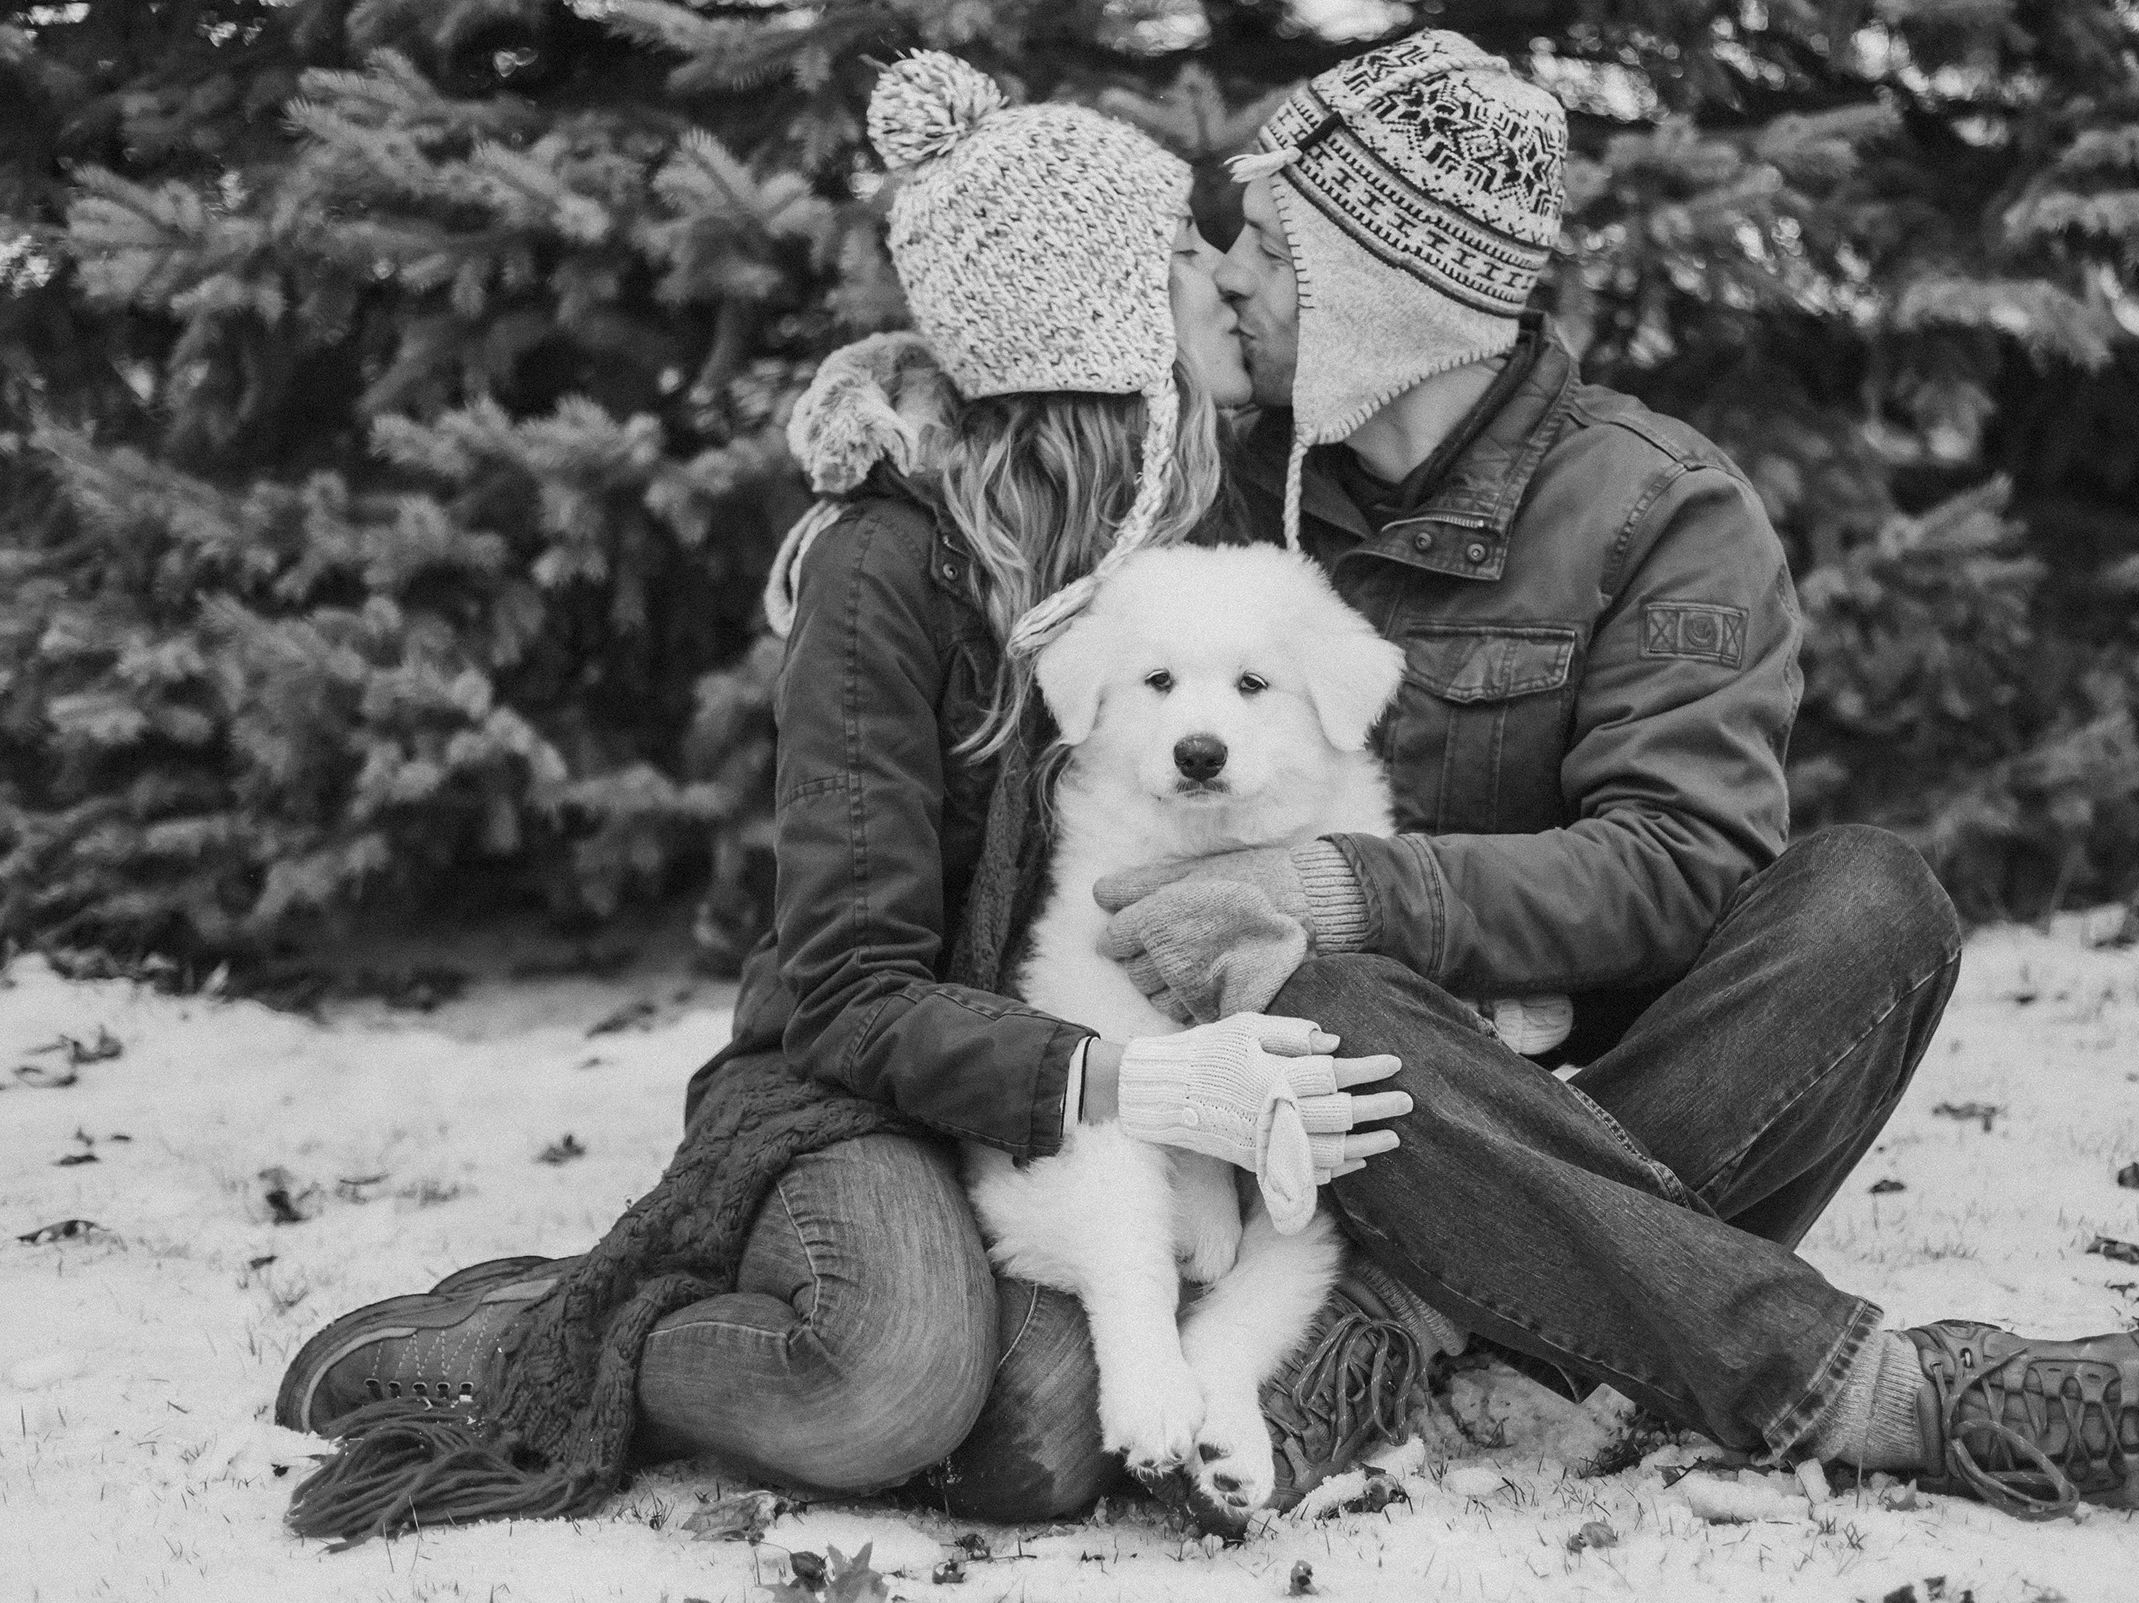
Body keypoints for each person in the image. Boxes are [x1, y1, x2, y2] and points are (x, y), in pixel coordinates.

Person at [1091, 30, 2139, 1518]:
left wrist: (1346, 888)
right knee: (1324, 1001)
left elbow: (1679, 865)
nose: (1226, 277)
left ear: (1372, 296)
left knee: (1872, 903)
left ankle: (1408, 1314)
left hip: (1581, 1071)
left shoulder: (1658, 509)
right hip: (1315, 1107)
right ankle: (1895, 1394)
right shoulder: (1210, 491)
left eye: (1268, 248)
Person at [273, 53, 1414, 1543]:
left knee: (1040, 1448)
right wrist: (1125, 1080)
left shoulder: (1190, 536)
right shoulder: (883, 571)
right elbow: (845, 991)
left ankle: (875, 1331)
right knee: (882, 1384)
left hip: (1055, 1128)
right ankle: (521, 1338)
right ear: (1107, 330)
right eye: (1186, 257)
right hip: (859, 1090)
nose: (1226, 280)